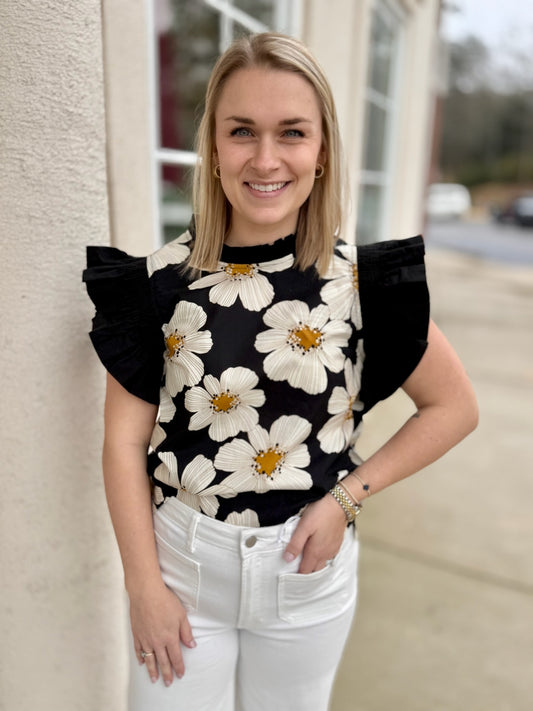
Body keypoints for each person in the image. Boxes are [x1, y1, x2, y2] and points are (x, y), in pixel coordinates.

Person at [83, 32, 478, 711]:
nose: (265, 159)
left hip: (305, 570)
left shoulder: (360, 284)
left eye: (291, 132)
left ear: (321, 151)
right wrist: (142, 586)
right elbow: (123, 443)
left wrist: (347, 497)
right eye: (241, 131)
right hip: (182, 567)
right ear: (212, 147)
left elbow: (452, 407)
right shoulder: (156, 285)